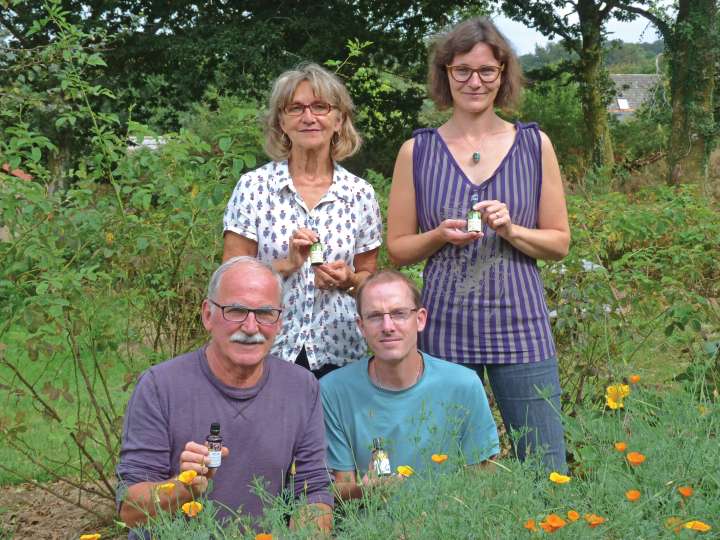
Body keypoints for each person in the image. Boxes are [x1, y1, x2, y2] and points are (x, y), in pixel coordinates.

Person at [386, 18, 570, 472]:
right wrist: (437, 236)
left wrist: (513, 231)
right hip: (444, 328)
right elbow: (398, 249)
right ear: (445, 74)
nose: (475, 81)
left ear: (503, 74)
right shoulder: (418, 151)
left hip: (521, 327)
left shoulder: (533, 145)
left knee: (544, 464)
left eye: (487, 71)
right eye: (462, 70)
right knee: (438, 464)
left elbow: (560, 242)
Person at [116, 256, 333, 532]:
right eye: (236, 311)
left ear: (280, 321)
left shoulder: (301, 387)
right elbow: (130, 511)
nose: (251, 327)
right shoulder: (160, 386)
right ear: (208, 315)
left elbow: (312, 492)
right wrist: (184, 487)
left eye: (265, 313)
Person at [222, 62, 382, 378]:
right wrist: (287, 265)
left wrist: (349, 279)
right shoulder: (255, 187)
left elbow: (368, 278)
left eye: (320, 107)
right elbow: (230, 278)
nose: (309, 117)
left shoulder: (359, 193)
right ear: (281, 121)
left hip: (339, 353)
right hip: (267, 348)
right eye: (296, 108)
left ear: (339, 119)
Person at [320, 270, 499, 499]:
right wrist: (364, 492)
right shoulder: (333, 391)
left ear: (420, 319)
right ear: (361, 326)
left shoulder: (464, 385)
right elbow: (340, 487)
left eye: (399, 313)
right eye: (375, 316)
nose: (387, 326)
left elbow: (482, 483)